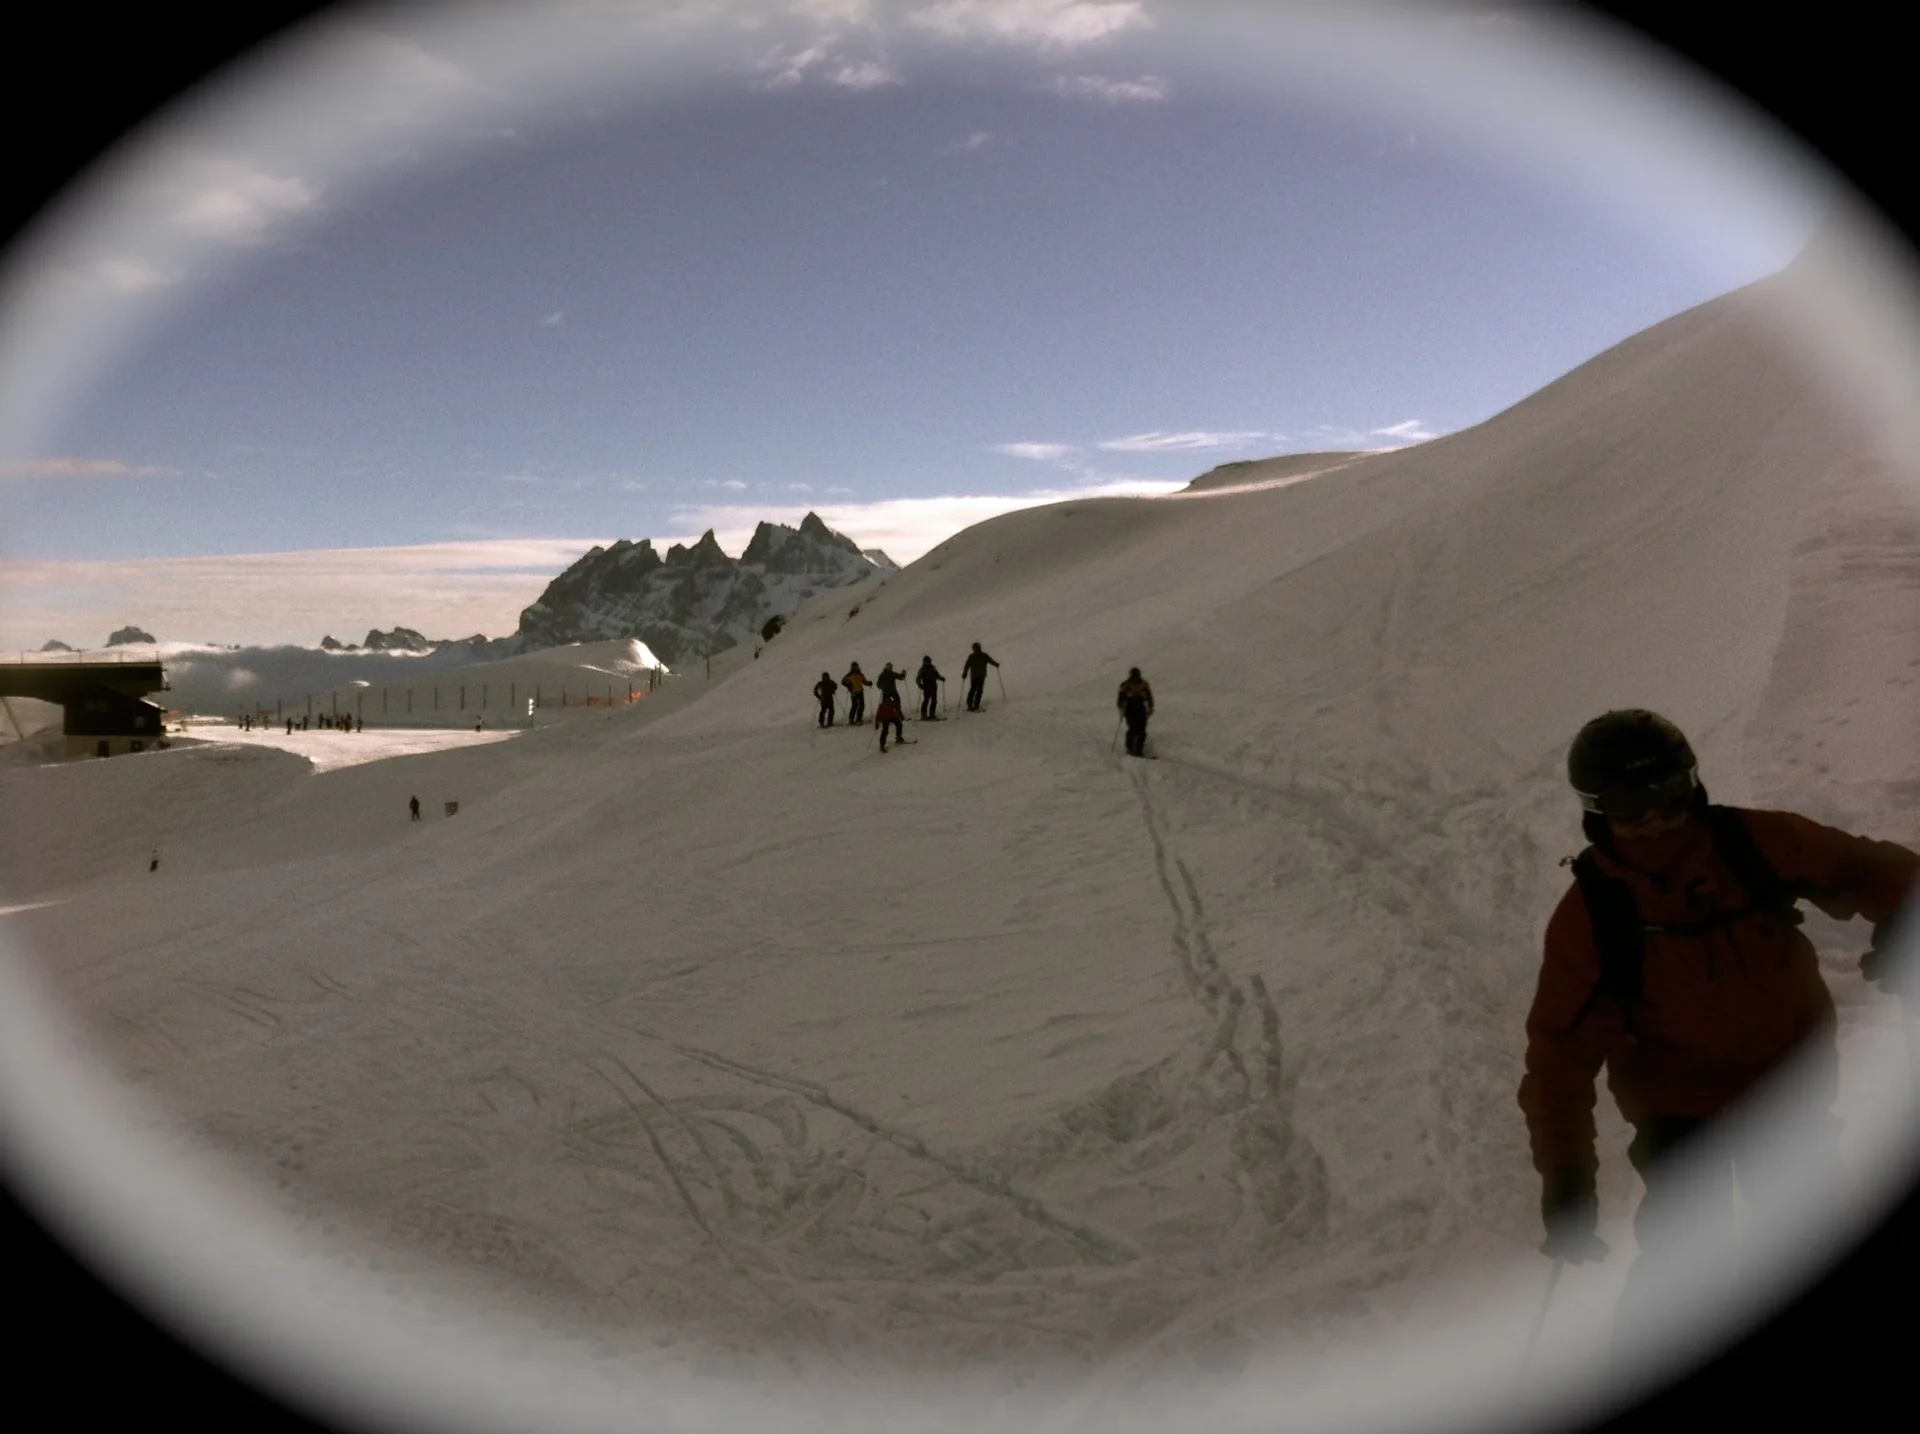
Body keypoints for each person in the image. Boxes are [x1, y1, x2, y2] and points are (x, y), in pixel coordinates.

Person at [1518, 710, 1916, 1355]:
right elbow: (1559, 1058)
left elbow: (1879, 872)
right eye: (1629, 804)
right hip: (1678, 1107)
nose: (1655, 819)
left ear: (1692, 785)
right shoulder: (1595, 914)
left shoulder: (1752, 845)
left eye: (1668, 795)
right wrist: (1567, 1180)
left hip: (1789, 1081)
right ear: (1596, 811)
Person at [1117, 667, 1154, 757]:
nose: (1135, 679)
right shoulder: (1126, 685)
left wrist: (1150, 707)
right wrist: (1121, 708)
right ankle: (1130, 748)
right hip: (1130, 708)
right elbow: (1120, 699)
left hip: (1140, 707)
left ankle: (1139, 750)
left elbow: (1149, 697)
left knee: (1142, 729)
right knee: (1133, 728)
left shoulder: (1143, 685)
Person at [960, 642, 998, 711]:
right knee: (977, 690)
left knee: (974, 690)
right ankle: (974, 705)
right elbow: (990, 661)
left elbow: (967, 665)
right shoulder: (982, 656)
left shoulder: (974, 656)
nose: (976, 649)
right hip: (979, 676)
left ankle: (971, 705)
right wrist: (996, 664)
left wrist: (964, 673)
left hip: (977, 676)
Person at [916, 656, 944, 720]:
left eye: (928, 661)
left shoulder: (933, 668)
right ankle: (923, 715)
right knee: (926, 701)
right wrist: (920, 685)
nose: (927, 663)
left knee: (934, 701)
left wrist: (941, 678)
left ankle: (932, 714)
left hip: (934, 687)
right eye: (926, 662)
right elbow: (918, 678)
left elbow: (936, 675)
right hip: (926, 687)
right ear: (924, 662)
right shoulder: (922, 669)